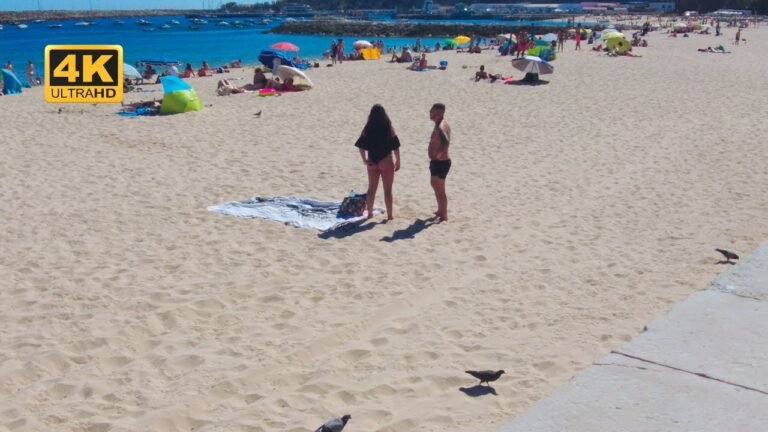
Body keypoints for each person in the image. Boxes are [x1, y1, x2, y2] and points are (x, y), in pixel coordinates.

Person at [355, 104, 401, 220]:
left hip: (372, 161)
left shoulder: (368, 127)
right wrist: (398, 160)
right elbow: (395, 146)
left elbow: (361, 146)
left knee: (371, 189)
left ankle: (369, 214)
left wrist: (364, 160)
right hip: (386, 160)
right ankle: (390, 216)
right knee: (388, 190)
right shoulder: (388, 127)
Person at [428, 103, 451, 221]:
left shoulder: (441, 126)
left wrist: (442, 151)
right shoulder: (438, 124)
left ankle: (444, 215)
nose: (430, 113)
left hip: (441, 162)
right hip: (436, 162)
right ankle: (440, 209)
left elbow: (445, 140)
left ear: (438, 113)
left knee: (440, 190)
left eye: (431, 111)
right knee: (434, 184)